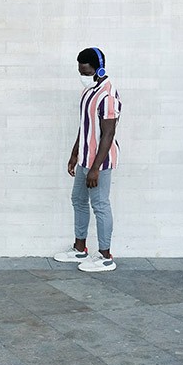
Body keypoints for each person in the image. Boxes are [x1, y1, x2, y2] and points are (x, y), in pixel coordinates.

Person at [53, 47, 122, 273]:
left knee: (100, 205)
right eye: (80, 71)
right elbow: (85, 127)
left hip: (98, 164)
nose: (82, 76)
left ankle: (105, 256)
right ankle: (80, 248)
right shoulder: (88, 92)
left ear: (98, 69)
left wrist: (95, 169)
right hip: (84, 158)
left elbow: (108, 134)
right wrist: (75, 153)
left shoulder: (108, 96)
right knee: (78, 200)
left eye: (85, 71)